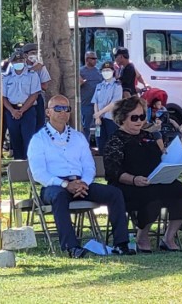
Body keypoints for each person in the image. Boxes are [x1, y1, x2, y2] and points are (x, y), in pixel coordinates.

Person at [27, 94, 135, 258]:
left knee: (114, 193)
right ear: (48, 112)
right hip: (54, 185)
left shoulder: (78, 137)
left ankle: (121, 244)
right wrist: (65, 185)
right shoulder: (38, 140)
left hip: (81, 183)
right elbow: (39, 173)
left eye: (66, 109)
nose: (63, 112)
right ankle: (72, 247)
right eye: (58, 108)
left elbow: (89, 165)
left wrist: (83, 183)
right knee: (59, 197)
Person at [103, 96, 182, 251]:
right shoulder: (115, 140)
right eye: (134, 117)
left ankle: (168, 238)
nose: (139, 121)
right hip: (128, 184)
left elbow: (160, 157)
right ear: (122, 118)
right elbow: (114, 172)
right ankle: (142, 237)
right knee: (152, 197)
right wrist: (134, 179)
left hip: (154, 180)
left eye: (142, 116)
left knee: (181, 191)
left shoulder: (148, 135)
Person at [2, 50, 42, 160]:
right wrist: (12, 111)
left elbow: (34, 95)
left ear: (25, 60)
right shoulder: (6, 77)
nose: (19, 62)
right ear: (12, 63)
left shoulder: (32, 75)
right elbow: (3, 97)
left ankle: (30, 164)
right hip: (12, 110)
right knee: (15, 139)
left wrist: (22, 110)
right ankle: (19, 165)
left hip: (28, 110)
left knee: (29, 138)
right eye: (16, 61)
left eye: (21, 60)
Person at [92, 60, 122, 148]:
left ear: (113, 71)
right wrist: (97, 117)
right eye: (104, 70)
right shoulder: (99, 86)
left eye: (108, 70)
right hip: (99, 120)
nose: (106, 72)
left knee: (112, 143)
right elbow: (95, 101)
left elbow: (114, 103)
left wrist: (99, 113)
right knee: (99, 140)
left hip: (110, 119)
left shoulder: (117, 86)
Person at [22, 44, 51, 129]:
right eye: (32, 53)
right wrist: (31, 70)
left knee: (39, 125)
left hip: (37, 98)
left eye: (35, 53)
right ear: (25, 55)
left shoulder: (41, 67)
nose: (34, 55)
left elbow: (45, 86)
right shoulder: (20, 67)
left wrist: (33, 84)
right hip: (22, 97)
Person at [78, 51, 102, 140]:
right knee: (86, 127)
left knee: (98, 126)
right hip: (86, 104)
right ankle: (85, 145)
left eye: (96, 58)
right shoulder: (80, 72)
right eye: (93, 58)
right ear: (87, 59)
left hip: (98, 105)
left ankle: (99, 144)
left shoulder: (99, 71)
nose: (95, 60)